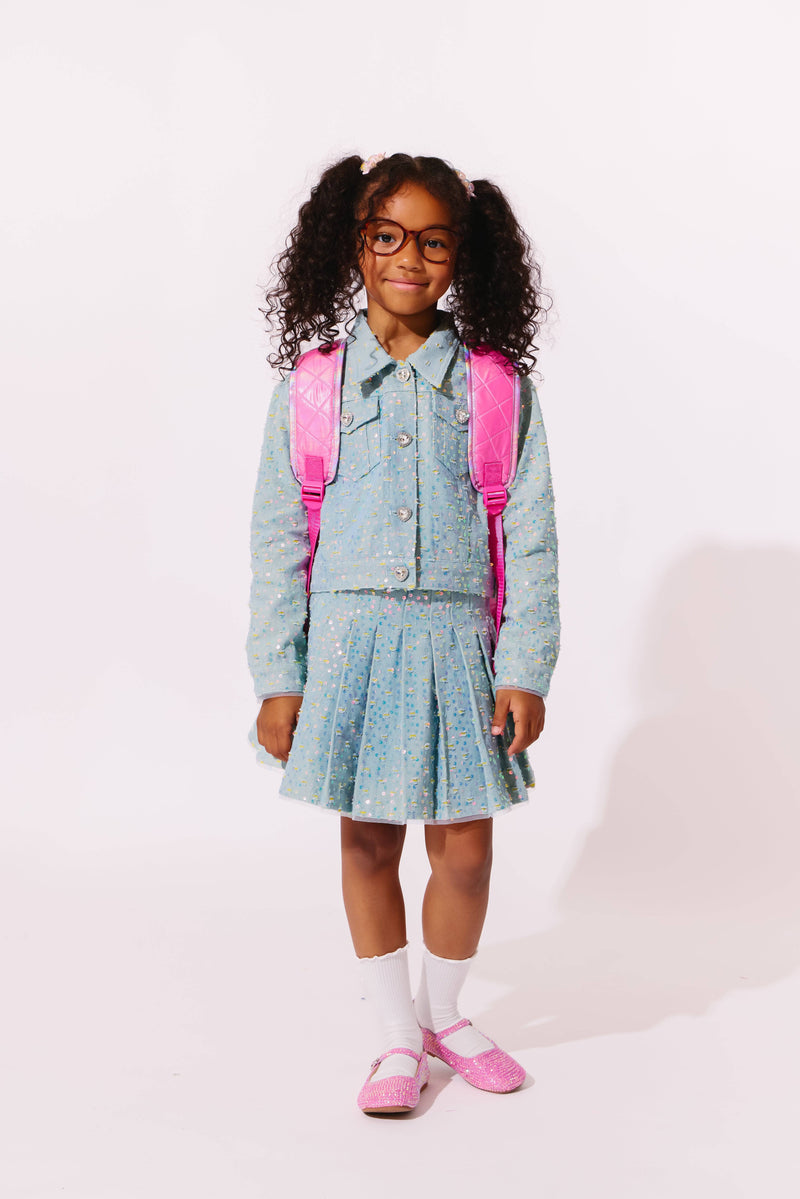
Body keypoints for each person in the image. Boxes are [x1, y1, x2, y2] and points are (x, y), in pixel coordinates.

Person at [246, 152, 560, 1114]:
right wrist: (280, 677)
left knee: (465, 850)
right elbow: (278, 539)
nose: (408, 259)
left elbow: (531, 536)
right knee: (369, 844)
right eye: (387, 237)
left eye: (432, 241)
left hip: (458, 647)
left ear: (464, 256)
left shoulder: (497, 387)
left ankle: (444, 1015)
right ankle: (394, 1034)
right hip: (350, 647)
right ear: (353, 245)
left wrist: (526, 666)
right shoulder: (313, 387)